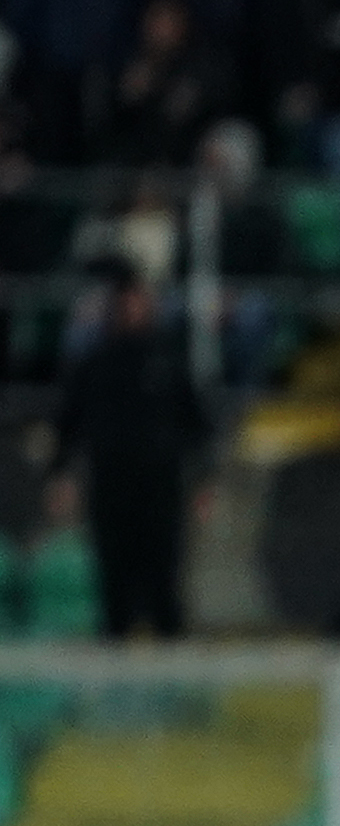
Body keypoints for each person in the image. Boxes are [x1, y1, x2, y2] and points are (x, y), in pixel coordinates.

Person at [54, 275, 210, 642]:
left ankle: (172, 662)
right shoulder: (95, 364)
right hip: (111, 484)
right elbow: (69, 425)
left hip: (161, 485)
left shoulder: (169, 362)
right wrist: (60, 476)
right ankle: (114, 651)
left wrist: (204, 480)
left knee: (164, 577)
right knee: (114, 578)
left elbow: (195, 425)